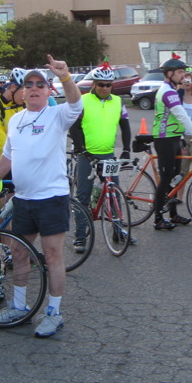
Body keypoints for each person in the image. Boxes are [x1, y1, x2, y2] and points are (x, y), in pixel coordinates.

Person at [0, 56, 82, 337]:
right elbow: (8, 157)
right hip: (23, 199)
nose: (34, 88)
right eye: (29, 85)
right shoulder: (16, 121)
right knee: (19, 252)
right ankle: (20, 306)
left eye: (40, 84)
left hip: (52, 198)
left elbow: (76, 103)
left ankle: (54, 312)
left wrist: (65, 76)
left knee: (52, 255)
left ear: (49, 91)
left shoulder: (57, 115)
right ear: (22, 92)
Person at [69, 63, 132, 252]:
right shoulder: (83, 100)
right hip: (87, 155)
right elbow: (74, 127)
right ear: (94, 85)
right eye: (101, 84)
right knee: (83, 196)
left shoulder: (118, 102)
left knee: (114, 192)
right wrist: (82, 149)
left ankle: (118, 229)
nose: (105, 88)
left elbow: (125, 126)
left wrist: (127, 149)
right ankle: (80, 237)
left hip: (108, 154)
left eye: (108, 85)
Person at [152, 56, 192, 230]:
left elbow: (178, 118)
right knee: (166, 178)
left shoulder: (172, 90)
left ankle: (173, 214)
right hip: (164, 139)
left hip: (174, 138)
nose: (184, 76)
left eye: (184, 72)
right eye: (180, 72)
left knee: (175, 177)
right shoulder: (167, 91)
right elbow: (181, 115)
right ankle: (158, 218)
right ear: (170, 73)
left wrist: (182, 137)